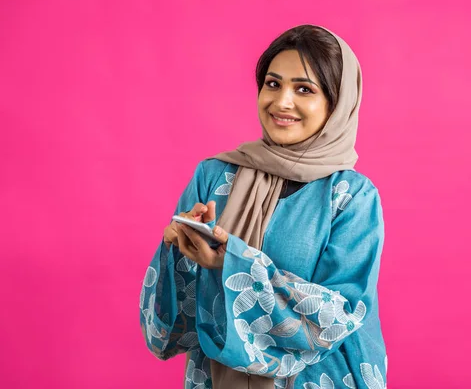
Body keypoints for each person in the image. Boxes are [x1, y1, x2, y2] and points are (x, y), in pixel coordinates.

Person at [140, 24, 387, 389]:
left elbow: (341, 315)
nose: (281, 102)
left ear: (337, 103)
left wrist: (235, 262)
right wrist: (181, 252)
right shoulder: (214, 176)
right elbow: (183, 321)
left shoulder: (351, 196)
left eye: (304, 89)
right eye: (273, 84)